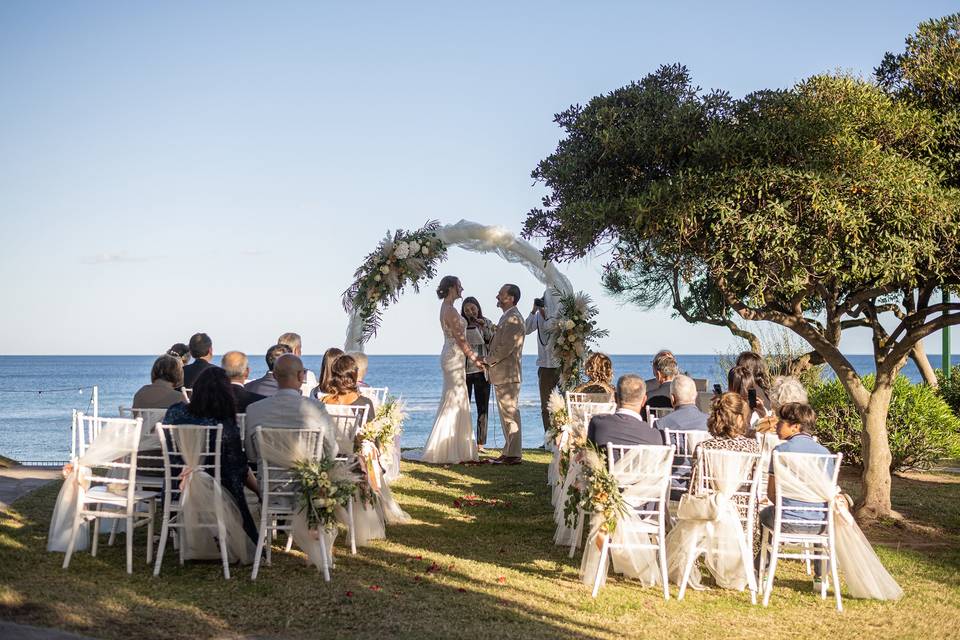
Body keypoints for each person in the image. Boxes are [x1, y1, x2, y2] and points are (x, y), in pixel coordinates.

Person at [162, 367, 259, 543]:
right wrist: (259, 490)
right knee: (231, 474)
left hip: (177, 490)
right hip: (216, 495)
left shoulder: (175, 411)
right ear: (226, 394)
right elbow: (239, 468)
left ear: (197, 389)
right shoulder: (223, 423)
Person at [758, 402, 835, 584]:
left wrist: (789, 507)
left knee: (763, 515)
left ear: (796, 426)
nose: (776, 425)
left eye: (781, 421)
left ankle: (762, 569)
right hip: (820, 524)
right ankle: (820, 577)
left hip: (785, 522)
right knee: (818, 511)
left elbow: (771, 494)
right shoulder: (826, 454)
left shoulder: (780, 452)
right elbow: (827, 494)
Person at [415, 276, 482, 464]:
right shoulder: (450, 310)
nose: (462, 288)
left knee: (456, 398)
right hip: (453, 356)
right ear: (452, 287)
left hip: (453, 355)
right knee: (455, 399)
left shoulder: (446, 307)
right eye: (459, 285)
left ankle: (454, 446)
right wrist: (475, 359)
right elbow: (461, 340)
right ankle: (448, 449)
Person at [687, 392, 761, 533]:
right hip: (742, 518)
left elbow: (695, 487)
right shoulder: (753, 448)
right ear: (739, 418)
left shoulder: (704, 447)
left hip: (709, 513)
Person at [244, 354, 338, 463]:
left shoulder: (254, 409)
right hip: (307, 478)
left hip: (269, 478)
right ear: (301, 376)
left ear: (274, 376)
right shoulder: (316, 408)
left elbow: (251, 455)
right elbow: (331, 451)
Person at [485, 283, 526, 464]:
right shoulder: (506, 317)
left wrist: (487, 360)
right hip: (503, 374)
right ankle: (509, 450)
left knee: (510, 414)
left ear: (510, 298)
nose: (497, 296)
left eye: (500, 294)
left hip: (508, 374)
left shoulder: (513, 319)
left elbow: (505, 348)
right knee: (506, 415)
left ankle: (514, 454)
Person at [586, 374, 664, 449]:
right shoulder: (655, 436)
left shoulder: (598, 424)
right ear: (644, 400)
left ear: (616, 398)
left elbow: (588, 456)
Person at [525, 288, 560, 435]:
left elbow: (549, 326)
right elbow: (526, 329)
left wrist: (545, 314)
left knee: (565, 401)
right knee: (545, 405)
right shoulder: (538, 314)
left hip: (560, 365)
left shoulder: (559, 315)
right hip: (544, 366)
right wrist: (534, 311)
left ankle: (564, 437)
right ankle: (549, 437)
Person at [462, 296, 494, 450]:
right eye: (467, 310)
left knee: (483, 408)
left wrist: (484, 328)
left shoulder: (486, 322)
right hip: (465, 370)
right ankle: (464, 440)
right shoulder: (461, 324)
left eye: (472, 308)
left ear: (478, 308)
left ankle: (480, 444)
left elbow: (493, 341)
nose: (470, 312)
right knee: (464, 407)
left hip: (482, 369)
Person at [320, 355, 375, 423]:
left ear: (333, 377)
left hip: (330, 433)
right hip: (354, 433)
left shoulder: (324, 402)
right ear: (355, 375)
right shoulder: (365, 403)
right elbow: (371, 428)